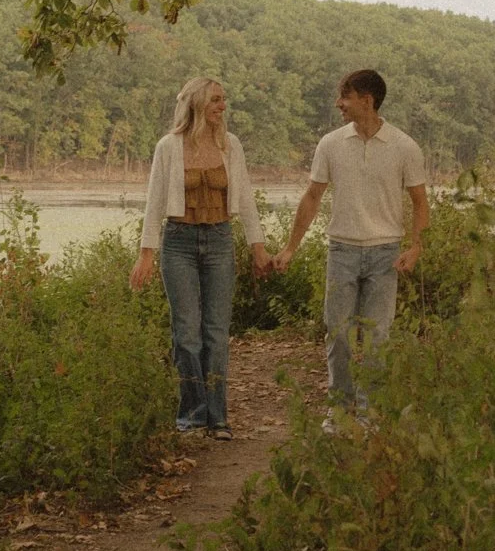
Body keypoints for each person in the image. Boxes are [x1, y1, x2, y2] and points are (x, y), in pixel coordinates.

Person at [274, 69, 428, 418]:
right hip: (341, 249)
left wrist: (415, 247)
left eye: (345, 96)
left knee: (377, 339)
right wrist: (290, 248)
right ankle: (339, 411)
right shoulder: (330, 144)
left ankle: (369, 412)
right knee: (337, 333)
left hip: (385, 253)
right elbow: (312, 197)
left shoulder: (404, 147)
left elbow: (420, 202)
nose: (338, 103)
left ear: (367, 100)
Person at [130, 77, 270, 440]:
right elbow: (154, 202)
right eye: (216, 100)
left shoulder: (230, 145)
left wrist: (258, 247)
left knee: (217, 332)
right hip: (178, 243)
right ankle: (192, 417)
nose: (223, 106)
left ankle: (218, 417)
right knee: (187, 332)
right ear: (196, 103)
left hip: (220, 240)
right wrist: (146, 254)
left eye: (224, 100)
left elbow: (248, 201)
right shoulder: (169, 146)